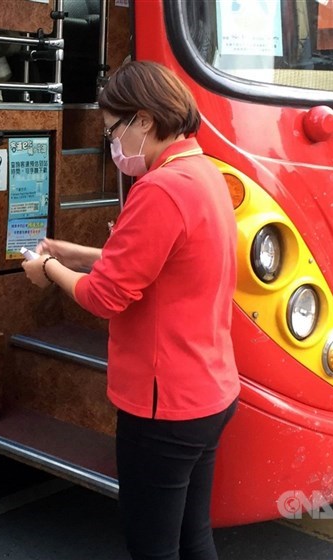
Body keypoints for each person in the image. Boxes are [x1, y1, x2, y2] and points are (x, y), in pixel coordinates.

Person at [22, 60, 240, 560]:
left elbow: (104, 295)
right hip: (210, 390)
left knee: (153, 547)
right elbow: (156, 263)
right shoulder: (203, 173)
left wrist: (49, 268)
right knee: (193, 536)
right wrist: (72, 253)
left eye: (112, 129)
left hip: (165, 404)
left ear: (144, 120)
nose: (111, 144)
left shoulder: (160, 189)